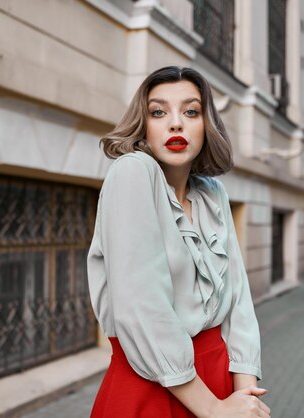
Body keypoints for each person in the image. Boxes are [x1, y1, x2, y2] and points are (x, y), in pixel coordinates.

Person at [87, 66, 269, 418]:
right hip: (154, 383)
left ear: (206, 124)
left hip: (218, 382)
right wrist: (213, 410)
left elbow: (239, 302)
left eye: (191, 111)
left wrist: (245, 396)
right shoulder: (133, 172)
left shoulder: (213, 193)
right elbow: (142, 309)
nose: (175, 124)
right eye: (158, 112)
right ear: (144, 124)